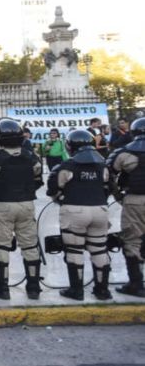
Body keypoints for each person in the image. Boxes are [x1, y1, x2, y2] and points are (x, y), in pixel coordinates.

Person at [0, 118, 44, 300]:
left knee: (1, 245)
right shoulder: (32, 157)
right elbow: (38, 181)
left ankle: (2, 288)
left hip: (2, 204)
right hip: (27, 203)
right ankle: (33, 287)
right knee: (30, 244)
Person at [47, 129, 113, 300]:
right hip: (100, 209)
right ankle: (102, 290)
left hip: (74, 209)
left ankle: (76, 290)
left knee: (74, 250)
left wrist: (60, 198)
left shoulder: (67, 166)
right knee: (99, 249)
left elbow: (53, 188)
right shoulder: (102, 164)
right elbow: (109, 187)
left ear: (70, 146)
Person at [106, 117, 145, 297]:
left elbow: (107, 174)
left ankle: (136, 284)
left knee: (132, 240)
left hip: (135, 200)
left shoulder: (125, 153)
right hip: (134, 198)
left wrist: (117, 196)